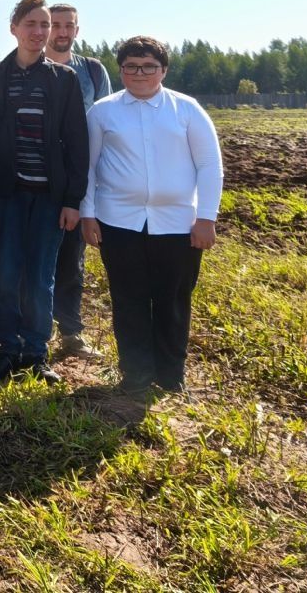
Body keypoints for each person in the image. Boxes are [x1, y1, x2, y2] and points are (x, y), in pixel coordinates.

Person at [81, 36, 223, 396]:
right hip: (119, 222)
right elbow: (88, 166)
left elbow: (209, 165)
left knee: (173, 300)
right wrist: (88, 213)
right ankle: (136, 374)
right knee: (128, 300)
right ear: (121, 70)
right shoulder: (102, 111)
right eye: (131, 66)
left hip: (178, 224)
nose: (139, 73)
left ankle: (170, 375)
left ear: (163, 70)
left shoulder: (187, 110)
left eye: (148, 66)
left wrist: (206, 217)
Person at [0, 0, 88, 386]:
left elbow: (76, 142)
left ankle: (36, 353)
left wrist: (72, 200)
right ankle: (7, 351)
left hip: (49, 198)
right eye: (32, 24)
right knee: (6, 274)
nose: (40, 32)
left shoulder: (64, 79)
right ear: (14, 29)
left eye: (46, 25)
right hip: (5, 195)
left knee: (40, 276)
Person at [45, 3, 112, 359]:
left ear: (77, 29)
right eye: (56, 24)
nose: (62, 31)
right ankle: (31, 334)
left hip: (77, 180)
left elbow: (107, 125)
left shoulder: (93, 72)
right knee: (33, 261)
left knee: (72, 260)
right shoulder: (25, 68)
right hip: (34, 181)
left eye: (69, 25)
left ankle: (71, 334)